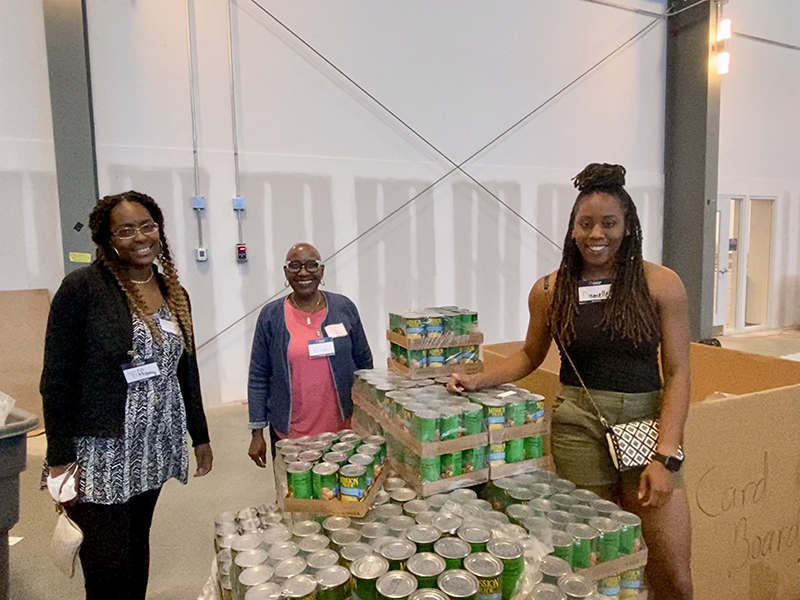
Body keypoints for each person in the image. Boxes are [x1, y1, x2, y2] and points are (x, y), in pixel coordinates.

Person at [448, 164, 693, 599]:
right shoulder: (549, 290)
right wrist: (477, 380)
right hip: (577, 424)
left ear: (628, 227)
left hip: (646, 425)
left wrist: (667, 457)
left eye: (609, 223)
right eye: (586, 223)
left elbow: (677, 372)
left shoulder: (661, 284)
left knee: (671, 568)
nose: (597, 233)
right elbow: (529, 355)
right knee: (596, 558)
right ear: (573, 229)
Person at [40, 191, 213, 600]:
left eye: (148, 226)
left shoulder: (174, 292)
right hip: (101, 452)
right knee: (106, 564)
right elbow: (57, 377)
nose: (140, 237)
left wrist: (200, 435)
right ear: (108, 238)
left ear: (160, 230)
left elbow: (185, 369)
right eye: (126, 229)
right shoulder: (83, 289)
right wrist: (61, 457)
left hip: (154, 446)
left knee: (137, 547)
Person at [247, 242, 374, 466]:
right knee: (296, 497)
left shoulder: (344, 307)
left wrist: (370, 415)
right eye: (295, 266)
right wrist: (257, 431)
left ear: (322, 270)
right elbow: (258, 376)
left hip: (344, 431)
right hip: (291, 434)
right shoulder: (271, 316)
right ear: (286, 273)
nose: (303, 272)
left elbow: (364, 363)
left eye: (311, 265)